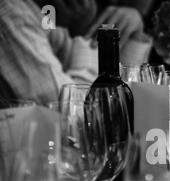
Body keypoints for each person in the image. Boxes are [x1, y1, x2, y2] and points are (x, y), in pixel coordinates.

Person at [0, 0, 149, 105]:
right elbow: (71, 115)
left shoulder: (48, 19)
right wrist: (86, 38)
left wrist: (135, 34)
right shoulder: (13, 14)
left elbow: (123, 102)